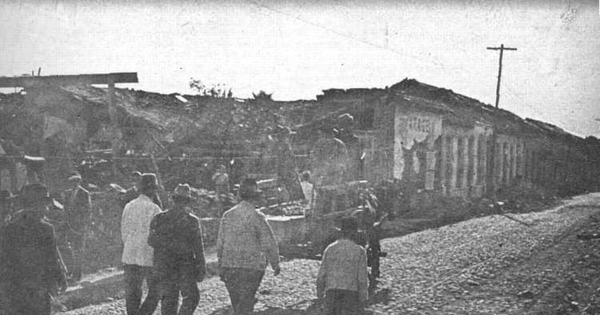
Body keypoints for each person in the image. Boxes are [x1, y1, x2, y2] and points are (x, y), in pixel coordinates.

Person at [0, 183, 67, 315]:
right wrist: (61, 279)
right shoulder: (46, 229)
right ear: (37, 205)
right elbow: (52, 259)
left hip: (15, 290)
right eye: (45, 205)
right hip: (39, 288)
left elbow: (4, 259)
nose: (47, 209)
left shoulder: (9, 228)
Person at [217, 178, 281, 315]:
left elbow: (220, 244)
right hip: (251, 267)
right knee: (246, 303)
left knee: (236, 302)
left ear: (239, 195)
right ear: (255, 197)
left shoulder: (227, 215)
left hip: (230, 265)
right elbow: (268, 243)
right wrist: (275, 263)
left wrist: (221, 264)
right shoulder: (257, 216)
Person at [148, 183, 206, 315]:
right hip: (184, 267)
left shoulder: (159, 218)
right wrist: (201, 268)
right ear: (188, 202)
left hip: (165, 266)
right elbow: (198, 248)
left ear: (172, 200)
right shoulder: (191, 221)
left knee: (169, 302)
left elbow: (151, 241)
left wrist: (166, 245)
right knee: (191, 298)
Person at [121, 173, 162, 315]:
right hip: (148, 256)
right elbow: (159, 237)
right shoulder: (155, 209)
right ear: (153, 190)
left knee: (132, 295)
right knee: (156, 291)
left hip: (129, 255)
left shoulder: (128, 206)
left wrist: (130, 246)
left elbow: (124, 232)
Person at [316, 217, 369, 315]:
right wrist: (363, 297)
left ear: (341, 231)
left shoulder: (330, 248)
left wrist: (320, 294)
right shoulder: (359, 251)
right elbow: (362, 278)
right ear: (355, 232)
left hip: (331, 292)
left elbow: (321, 275)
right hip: (350, 294)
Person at [64, 171, 92, 282]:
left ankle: (78, 274)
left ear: (79, 181)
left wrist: (84, 225)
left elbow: (88, 210)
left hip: (80, 226)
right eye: (72, 181)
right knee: (71, 249)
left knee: (79, 250)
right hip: (70, 225)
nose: (74, 183)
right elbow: (65, 209)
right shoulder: (68, 194)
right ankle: (72, 272)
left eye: (76, 181)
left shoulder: (84, 193)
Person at [272, 125, 304, 201]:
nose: (289, 138)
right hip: (288, 171)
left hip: (287, 171)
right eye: (288, 136)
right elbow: (286, 160)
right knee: (291, 189)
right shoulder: (284, 146)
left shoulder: (283, 145)